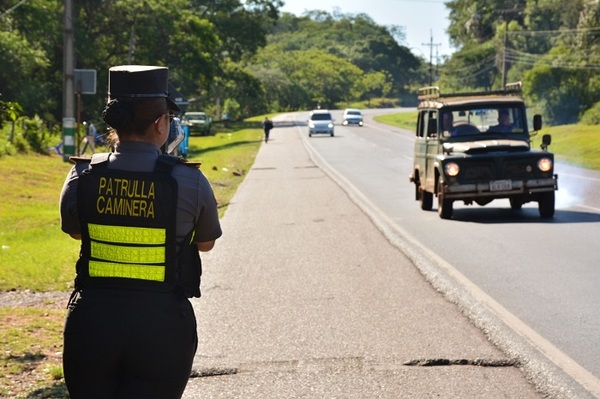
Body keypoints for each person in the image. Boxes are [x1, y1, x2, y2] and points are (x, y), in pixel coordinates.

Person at [59, 65, 222, 399]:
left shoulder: (82, 175)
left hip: (92, 325)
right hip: (161, 329)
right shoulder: (189, 180)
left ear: (114, 121)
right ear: (162, 124)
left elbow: (76, 233)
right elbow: (205, 243)